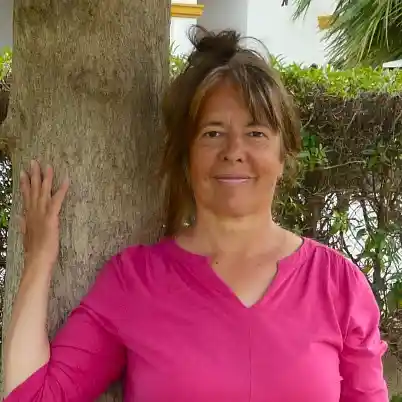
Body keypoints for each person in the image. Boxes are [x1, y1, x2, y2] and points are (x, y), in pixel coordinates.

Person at [4, 26, 388, 402]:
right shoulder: (135, 281)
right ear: (186, 157)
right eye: (212, 133)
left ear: (282, 154)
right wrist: (39, 258)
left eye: (256, 133)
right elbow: (32, 397)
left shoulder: (338, 285)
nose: (234, 151)